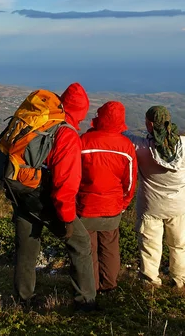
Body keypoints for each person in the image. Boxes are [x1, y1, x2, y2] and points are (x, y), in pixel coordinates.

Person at [13, 83, 97, 311]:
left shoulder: (40, 122)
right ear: (81, 111)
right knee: (80, 243)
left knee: (27, 246)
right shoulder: (67, 134)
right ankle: (85, 301)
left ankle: (24, 300)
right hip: (46, 200)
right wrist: (67, 220)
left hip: (22, 192)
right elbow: (65, 185)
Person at [124, 106, 185, 288]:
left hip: (150, 207)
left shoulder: (141, 147)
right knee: (179, 246)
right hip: (179, 207)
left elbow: (122, 134)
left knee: (150, 248)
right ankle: (181, 281)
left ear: (150, 124)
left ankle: (150, 283)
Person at [78, 101, 138, 292]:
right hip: (112, 207)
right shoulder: (126, 147)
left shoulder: (83, 142)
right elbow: (129, 182)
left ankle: (90, 288)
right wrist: (123, 203)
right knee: (110, 248)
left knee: (87, 250)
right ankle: (109, 286)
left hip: (86, 206)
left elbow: (73, 175)